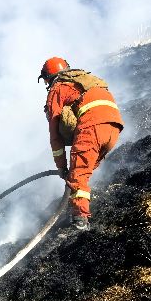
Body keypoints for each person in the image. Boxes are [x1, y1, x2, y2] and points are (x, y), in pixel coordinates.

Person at [39, 57, 124, 230]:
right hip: (114, 128)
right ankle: (81, 207)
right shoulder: (84, 80)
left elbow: (55, 134)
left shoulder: (58, 88)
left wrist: (62, 166)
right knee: (83, 171)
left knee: (77, 176)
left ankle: (80, 220)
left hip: (92, 126)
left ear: (49, 77)